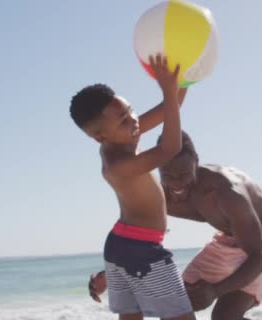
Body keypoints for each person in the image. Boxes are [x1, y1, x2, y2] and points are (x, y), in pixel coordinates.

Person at [89, 131, 262, 320]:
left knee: (224, 316)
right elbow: (136, 234)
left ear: (196, 161)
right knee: (175, 306)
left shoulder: (226, 192)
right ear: (158, 168)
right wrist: (112, 273)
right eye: (168, 175)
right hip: (228, 241)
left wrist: (214, 291)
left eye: (183, 174)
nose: (176, 183)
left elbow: (259, 257)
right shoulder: (162, 197)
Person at [70, 54, 195, 320]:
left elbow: (171, 106)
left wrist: (183, 78)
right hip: (141, 250)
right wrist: (169, 92)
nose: (134, 121)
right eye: (123, 120)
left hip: (122, 246)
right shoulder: (117, 164)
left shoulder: (124, 135)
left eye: (130, 110)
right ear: (100, 136)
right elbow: (170, 148)